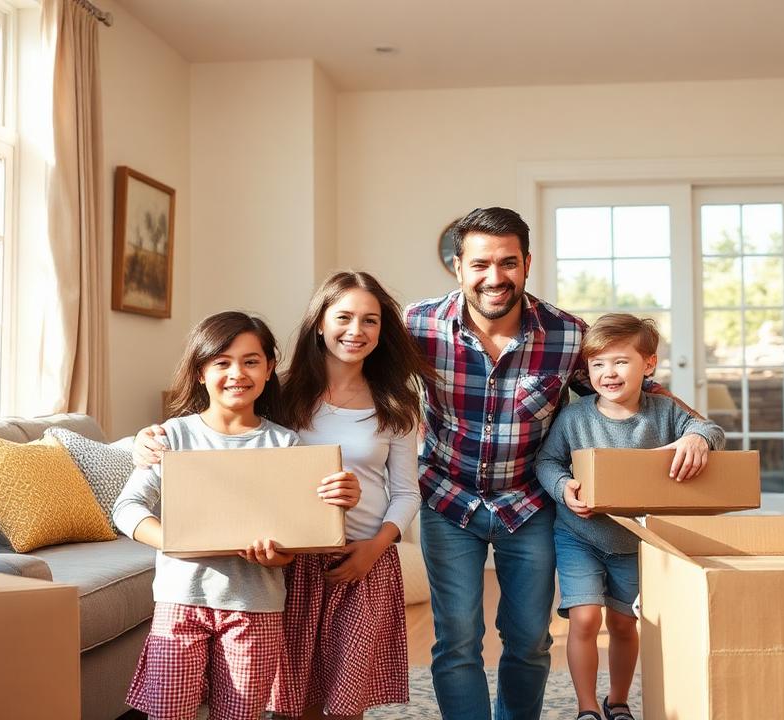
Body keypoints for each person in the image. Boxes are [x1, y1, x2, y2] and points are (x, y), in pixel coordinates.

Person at [405, 207, 690, 720]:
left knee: (530, 639)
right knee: (457, 639)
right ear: (459, 266)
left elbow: (632, 391)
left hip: (529, 505)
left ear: (527, 263)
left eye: (508, 263)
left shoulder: (566, 335)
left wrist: (696, 432)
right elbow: (355, 373)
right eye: (480, 264)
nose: (495, 277)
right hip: (448, 500)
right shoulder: (417, 325)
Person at [112, 311, 359, 720]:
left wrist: (278, 556)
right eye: (222, 362)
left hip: (255, 607)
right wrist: (176, 541)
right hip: (180, 601)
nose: (237, 374)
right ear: (200, 372)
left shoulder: (286, 444)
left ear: (269, 369)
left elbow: (296, 540)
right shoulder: (171, 437)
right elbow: (127, 507)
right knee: (169, 713)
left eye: (250, 361)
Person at [535, 313, 724, 720]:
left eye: (621, 362)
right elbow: (547, 462)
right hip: (579, 534)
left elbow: (712, 430)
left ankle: (617, 701)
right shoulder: (574, 417)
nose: (609, 373)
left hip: (636, 541)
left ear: (648, 364)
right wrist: (563, 488)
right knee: (584, 618)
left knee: (624, 625)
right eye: (598, 364)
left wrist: (696, 437)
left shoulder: (665, 412)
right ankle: (587, 708)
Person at [268, 270, 432, 719]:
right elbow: (230, 441)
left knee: (346, 702)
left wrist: (374, 549)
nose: (356, 330)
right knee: (293, 702)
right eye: (343, 317)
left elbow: (407, 493)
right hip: (291, 562)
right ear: (319, 323)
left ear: (382, 331)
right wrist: (152, 438)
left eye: (370, 320)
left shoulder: (396, 402)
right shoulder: (279, 392)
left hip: (364, 562)